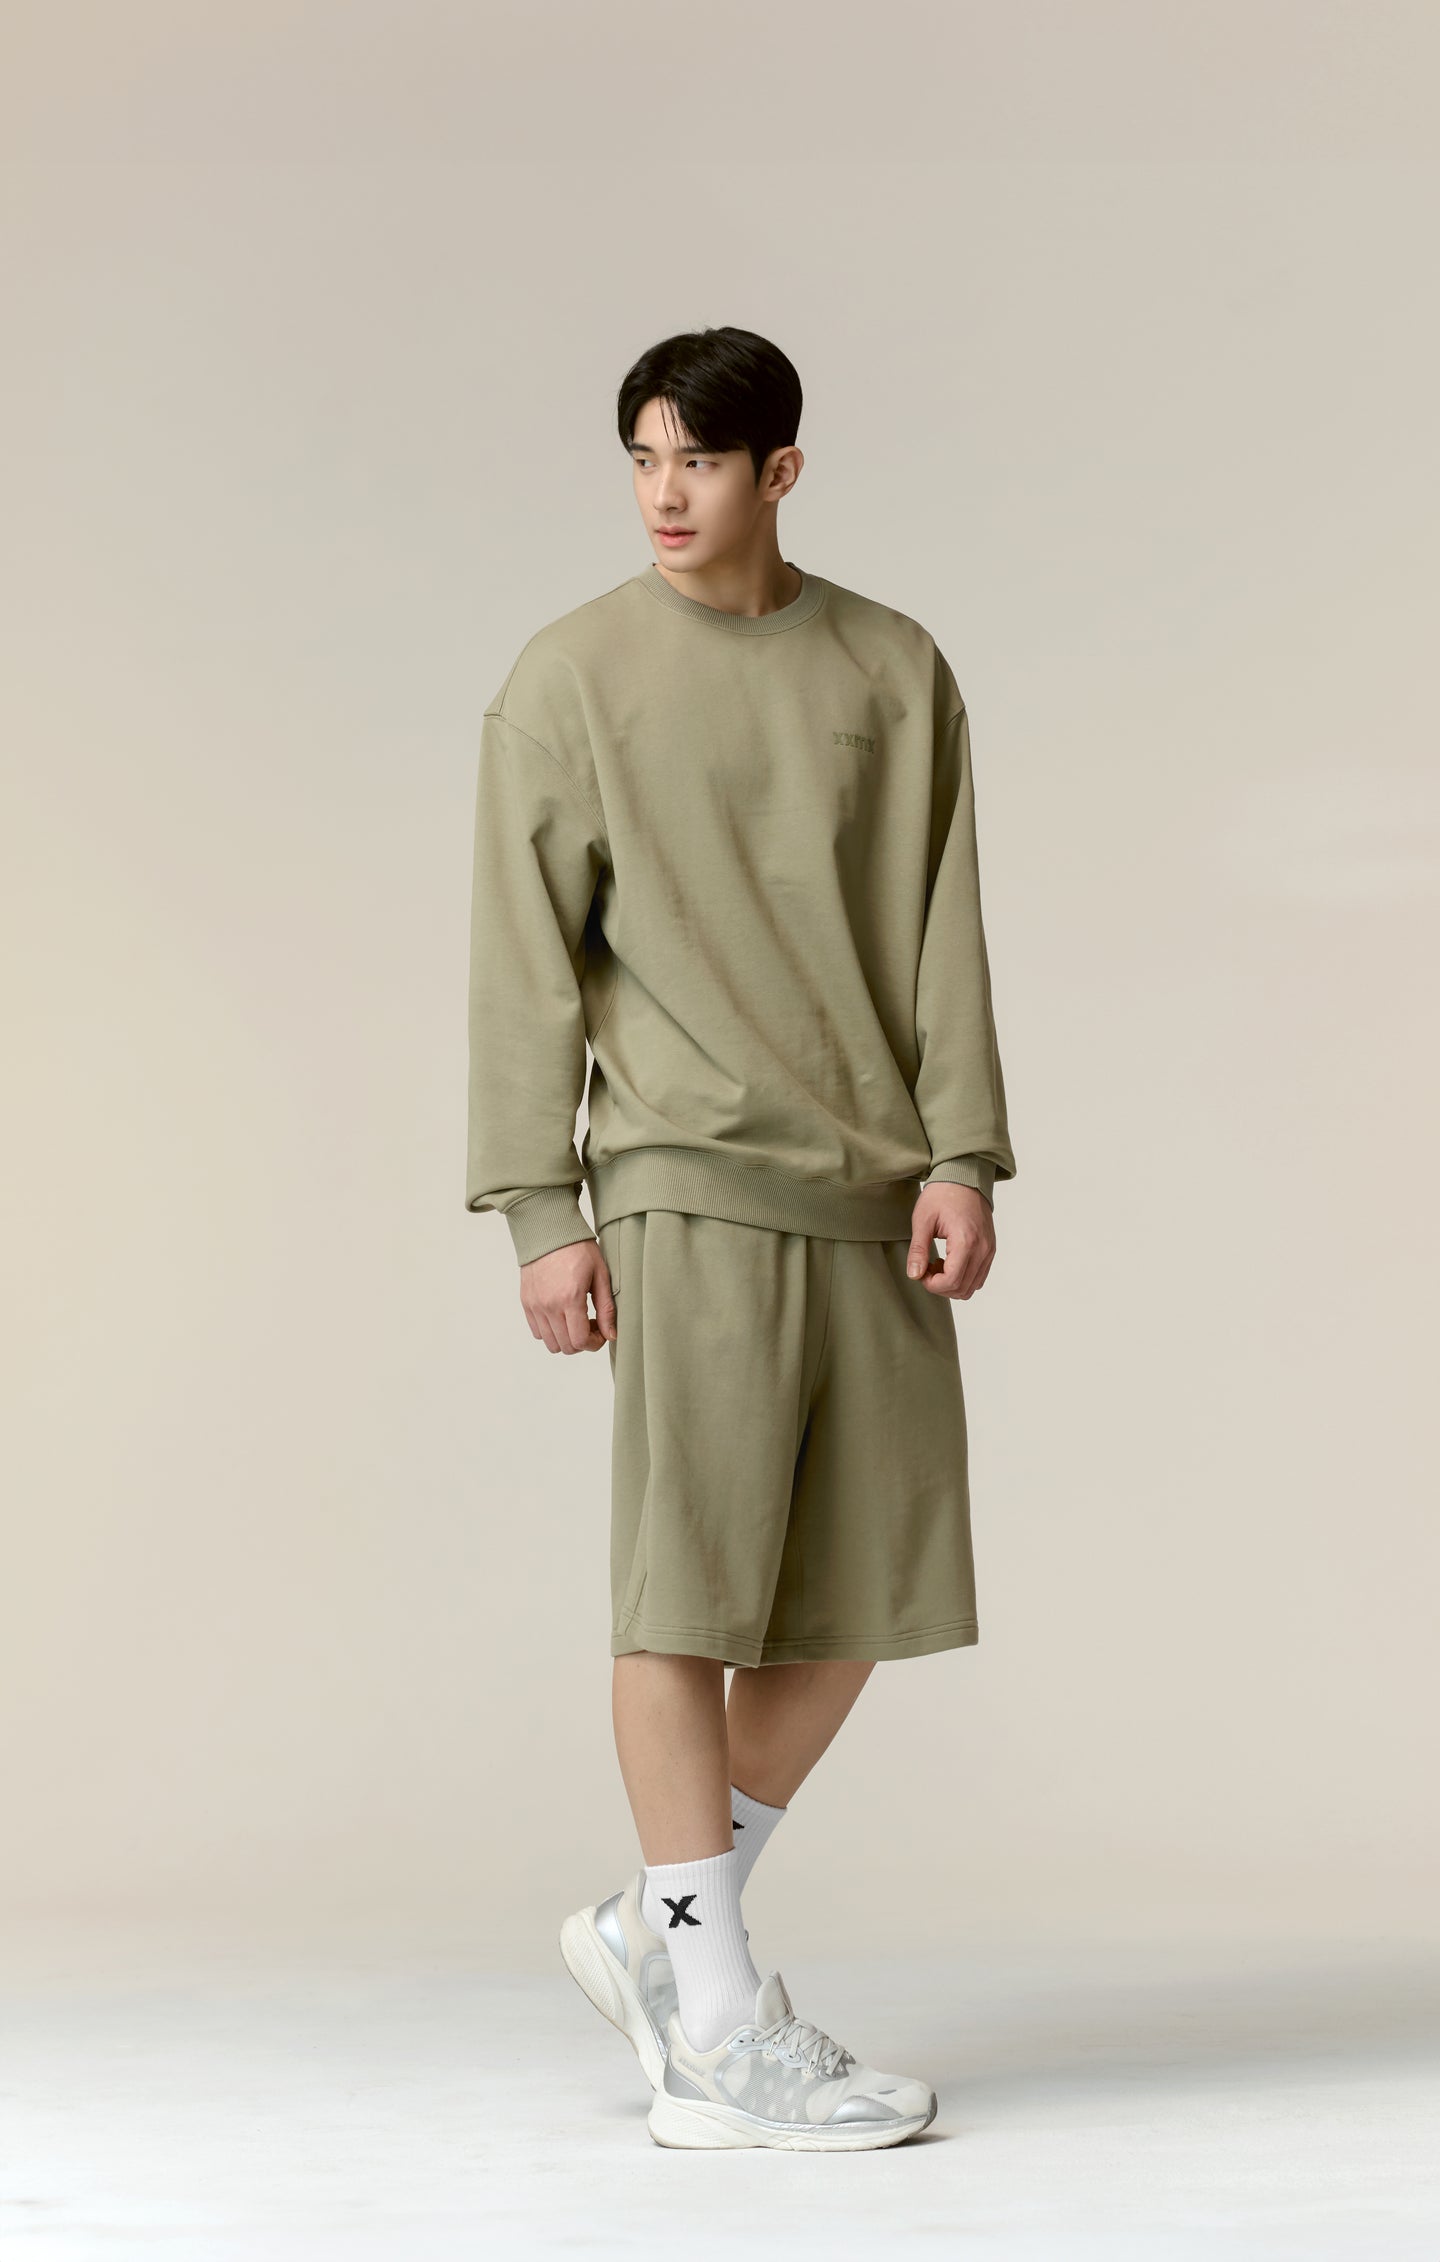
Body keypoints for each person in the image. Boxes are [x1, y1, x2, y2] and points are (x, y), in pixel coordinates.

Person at [465, 325, 1017, 2151]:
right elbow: (524, 966)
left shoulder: (892, 668)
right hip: (682, 1185)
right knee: (685, 1593)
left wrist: (962, 1154)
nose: (664, 493)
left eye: (697, 461)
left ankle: (656, 1924)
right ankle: (712, 2020)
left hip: (869, 1194)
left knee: (858, 1593)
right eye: (641, 459)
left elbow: (942, 926)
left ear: (781, 470)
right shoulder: (571, 680)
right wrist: (543, 1208)